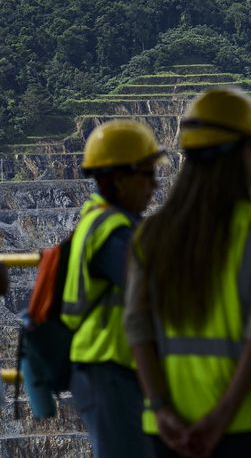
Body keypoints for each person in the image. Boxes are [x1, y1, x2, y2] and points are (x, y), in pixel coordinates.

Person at [124, 88, 251, 458]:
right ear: (243, 153)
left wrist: (160, 408)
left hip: (168, 431)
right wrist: (221, 416)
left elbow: (137, 328)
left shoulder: (149, 235)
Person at [62, 119, 164, 457]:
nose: (154, 184)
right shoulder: (112, 232)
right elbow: (153, 285)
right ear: (119, 179)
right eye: (147, 174)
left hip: (111, 369)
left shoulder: (107, 222)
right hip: (106, 369)